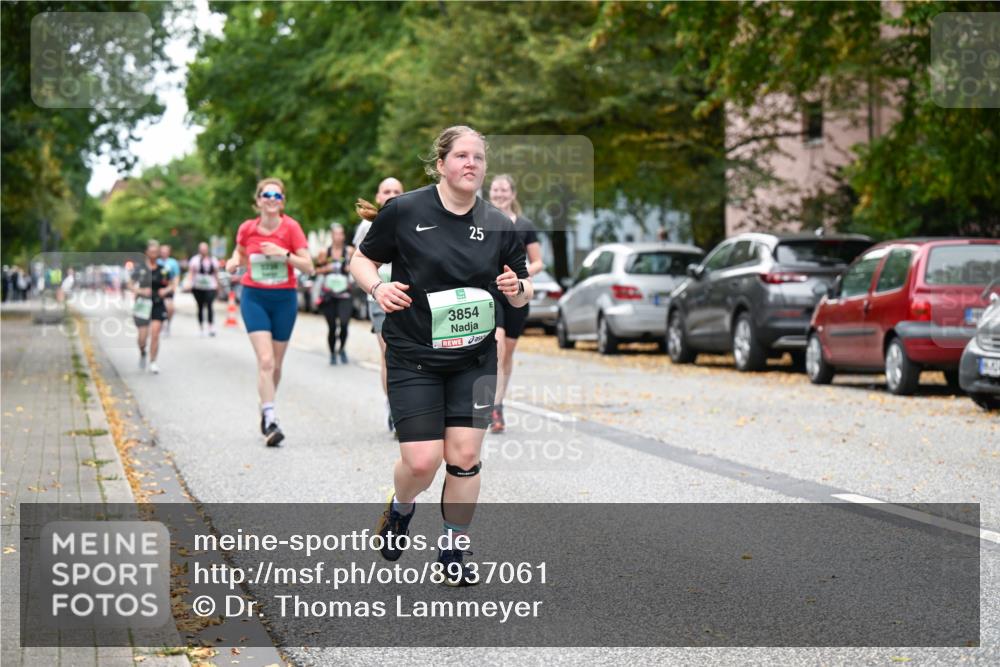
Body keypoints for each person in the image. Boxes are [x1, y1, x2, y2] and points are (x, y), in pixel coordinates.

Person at [351, 126, 532, 585]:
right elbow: (360, 259)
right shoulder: (405, 210)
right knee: (421, 462)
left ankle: (453, 547)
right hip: (413, 356)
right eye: (462, 156)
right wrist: (378, 286)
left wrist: (515, 290)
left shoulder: (499, 224)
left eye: (478, 157)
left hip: (473, 359)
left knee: (465, 455)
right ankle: (401, 509)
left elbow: (523, 290)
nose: (471, 164)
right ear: (441, 164)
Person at [225, 177, 313, 447]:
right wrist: (231, 263)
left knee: (276, 364)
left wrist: (282, 253)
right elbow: (239, 254)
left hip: (284, 299)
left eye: (277, 196)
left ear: (282, 201)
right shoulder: (247, 229)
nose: (272, 199)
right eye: (267, 195)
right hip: (254, 297)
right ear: (258, 201)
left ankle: (266, 405)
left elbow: (308, 266)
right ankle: (271, 418)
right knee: (265, 361)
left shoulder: (291, 228)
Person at [487, 174, 544, 433]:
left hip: (518, 292)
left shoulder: (524, 225)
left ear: (512, 194)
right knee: (497, 346)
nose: (499, 194)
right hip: (491, 291)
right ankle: (492, 407)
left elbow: (538, 261)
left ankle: (499, 402)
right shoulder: (481, 220)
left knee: (508, 352)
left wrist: (524, 274)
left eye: (503, 190)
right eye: (495, 189)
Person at [352, 177, 404, 432]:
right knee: (389, 354)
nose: (392, 194)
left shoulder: (412, 219)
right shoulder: (366, 226)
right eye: (387, 191)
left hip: (407, 296)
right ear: (378, 196)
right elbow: (359, 261)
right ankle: (395, 407)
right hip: (378, 298)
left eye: (397, 191)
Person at [315, 223, 355, 365]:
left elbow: (359, 266)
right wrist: (327, 268)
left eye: (341, 234)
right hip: (329, 295)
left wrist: (350, 268)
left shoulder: (349, 251)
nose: (338, 237)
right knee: (332, 327)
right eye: (336, 234)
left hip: (345, 294)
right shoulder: (324, 253)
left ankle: (342, 349)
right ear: (332, 236)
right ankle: (332, 353)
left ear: (343, 236)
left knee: (344, 324)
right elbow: (316, 270)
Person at [132, 240, 172, 374]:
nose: (154, 255)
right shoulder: (140, 268)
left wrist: (165, 291)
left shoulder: (163, 270)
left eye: (156, 252)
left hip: (157, 303)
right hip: (143, 304)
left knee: (155, 334)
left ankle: (153, 361)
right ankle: (143, 352)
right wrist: (140, 291)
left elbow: (172, 284)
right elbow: (129, 284)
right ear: (147, 253)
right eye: (152, 252)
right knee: (142, 338)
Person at [188, 242, 221, 337]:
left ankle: (211, 326)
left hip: (210, 286)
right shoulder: (195, 260)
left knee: (210, 305)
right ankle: (201, 328)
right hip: (198, 287)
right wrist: (190, 284)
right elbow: (191, 273)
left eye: (205, 249)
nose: (203, 251)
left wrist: (218, 286)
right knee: (200, 307)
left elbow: (216, 273)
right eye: (202, 249)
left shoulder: (213, 260)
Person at [158, 244, 181, 336]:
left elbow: (176, 276)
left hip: (169, 287)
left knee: (170, 308)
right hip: (157, 288)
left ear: (169, 252)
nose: (164, 253)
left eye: (165, 251)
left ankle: (168, 324)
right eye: (162, 251)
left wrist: (175, 286)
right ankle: (160, 325)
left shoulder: (173, 262)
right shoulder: (156, 261)